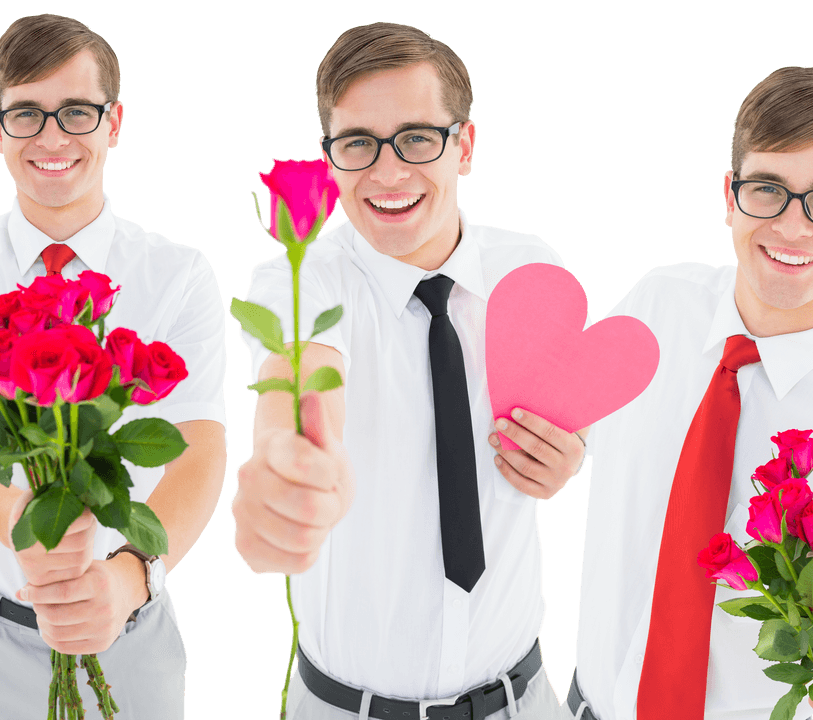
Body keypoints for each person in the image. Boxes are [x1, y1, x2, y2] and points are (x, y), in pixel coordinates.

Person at [568, 67, 813, 720]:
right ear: (730, 196)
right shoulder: (659, 303)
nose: (792, 227)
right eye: (768, 190)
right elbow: (565, 430)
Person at [233, 22, 584, 720]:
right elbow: (302, 378)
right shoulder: (301, 281)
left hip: (526, 699)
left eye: (417, 138)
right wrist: (287, 461)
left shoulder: (530, 269)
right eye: (358, 144)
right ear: (329, 161)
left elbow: (568, 414)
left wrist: (567, 456)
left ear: (466, 146)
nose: (388, 174)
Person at [0, 14, 227, 719]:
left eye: (75, 112)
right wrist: (23, 517)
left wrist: (129, 578)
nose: (52, 138)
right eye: (27, 114)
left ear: (113, 123)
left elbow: (199, 449)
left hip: (132, 635)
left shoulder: (177, 274)